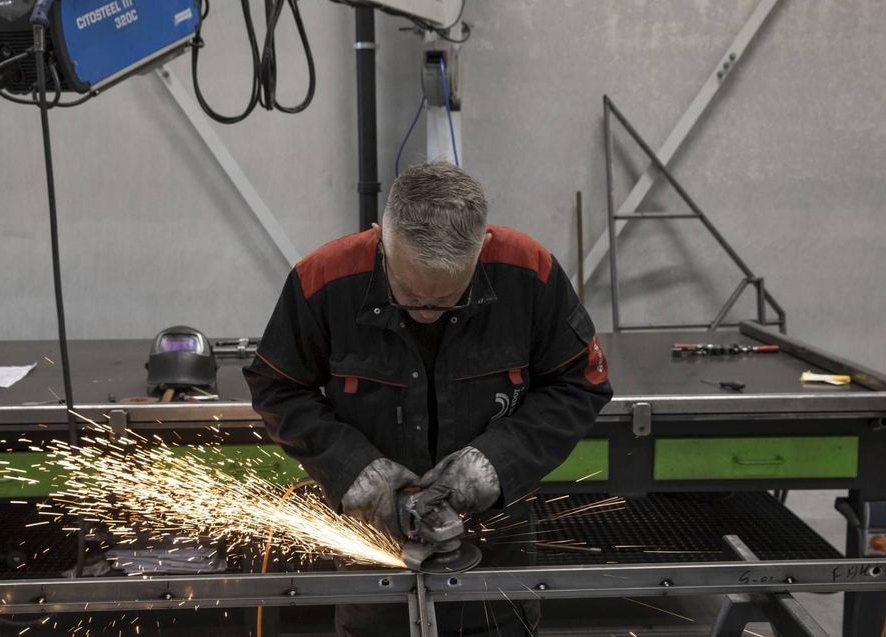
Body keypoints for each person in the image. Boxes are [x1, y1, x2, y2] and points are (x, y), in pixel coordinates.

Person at [245, 160, 613, 636]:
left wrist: (495, 463)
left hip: (497, 548)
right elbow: (278, 387)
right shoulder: (324, 280)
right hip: (373, 550)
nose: (425, 313)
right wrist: (356, 471)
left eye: (446, 301)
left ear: (481, 248)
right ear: (380, 238)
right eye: (410, 296)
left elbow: (579, 382)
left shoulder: (528, 272)